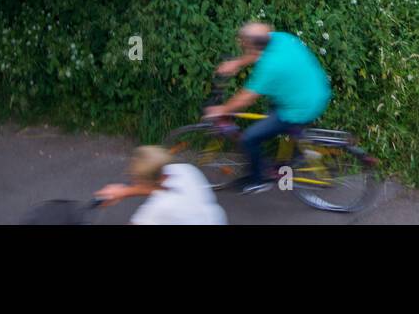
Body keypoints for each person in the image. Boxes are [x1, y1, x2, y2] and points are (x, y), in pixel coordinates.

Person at [205, 21, 332, 194]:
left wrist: (222, 110)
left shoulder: (269, 67)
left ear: (250, 44)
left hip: (300, 107)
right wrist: (237, 63)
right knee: (271, 113)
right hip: (314, 89)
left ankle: (258, 181)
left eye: (243, 42)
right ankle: (290, 152)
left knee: (249, 138)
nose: (241, 44)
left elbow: (245, 98)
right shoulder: (280, 38)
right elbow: (256, 53)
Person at [95, 145, 227, 224]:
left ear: (140, 180)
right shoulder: (185, 169)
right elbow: (159, 188)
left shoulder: (156, 210)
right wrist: (123, 192)